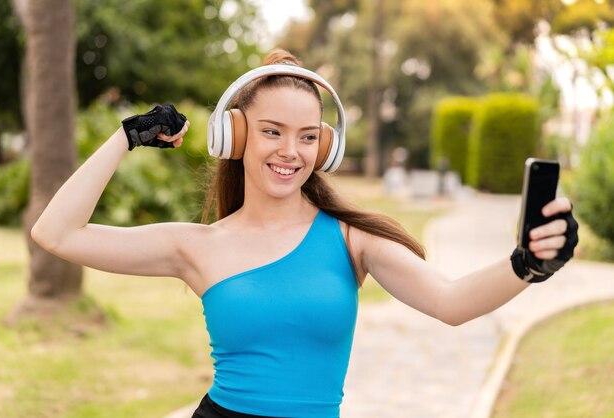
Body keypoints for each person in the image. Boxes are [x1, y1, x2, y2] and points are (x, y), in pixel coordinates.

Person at [31, 50, 578, 418]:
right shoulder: (196, 247)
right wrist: (126, 138)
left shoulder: (350, 241)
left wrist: (527, 265)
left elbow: (451, 302)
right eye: (271, 132)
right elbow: (56, 233)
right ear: (236, 136)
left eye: (307, 136)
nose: (290, 151)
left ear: (326, 145)